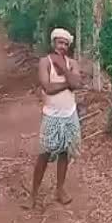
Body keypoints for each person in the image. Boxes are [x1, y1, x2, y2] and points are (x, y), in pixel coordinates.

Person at [30, 27, 82, 210]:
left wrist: (63, 70)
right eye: (60, 42)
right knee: (44, 154)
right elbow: (47, 88)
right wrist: (69, 82)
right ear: (53, 43)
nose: (62, 46)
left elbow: (77, 84)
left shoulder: (72, 63)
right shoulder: (45, 62)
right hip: (51, 115)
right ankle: (33, 194)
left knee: (65, 153)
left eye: (66, 44)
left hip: (69, 114)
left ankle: (60, 190)